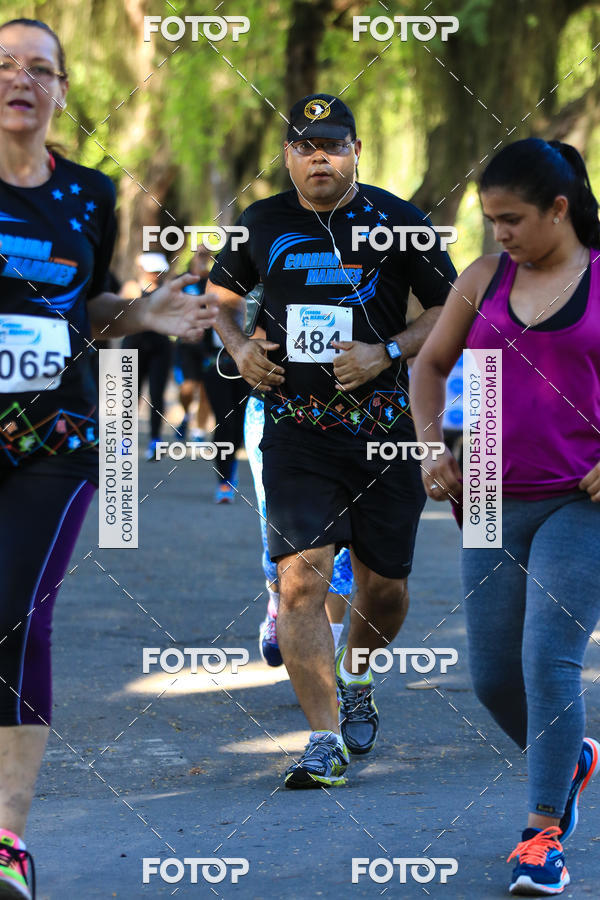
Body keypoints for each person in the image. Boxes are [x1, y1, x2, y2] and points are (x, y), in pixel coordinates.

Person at [0, 18, 218, 898]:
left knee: (16, 619)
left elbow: (88, 305)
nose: (21, 80)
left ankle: (6, 835)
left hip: (54, 438)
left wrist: (142, 315)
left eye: (40, 69)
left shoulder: (88, 192)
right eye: (5, 65)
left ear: (59, 91)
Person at [208, 93, 456, 788]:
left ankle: (357, 677)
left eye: (333, 145)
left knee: (386, 591)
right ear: (287, 156)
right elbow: (221, 295)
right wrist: (239, 349)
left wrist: (386, 351)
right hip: (296, 427)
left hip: (383, 432)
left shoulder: (400, 221)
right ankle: (323, 740)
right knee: (299, 580)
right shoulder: (261, 223)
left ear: (355, 152)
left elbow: (447, 308)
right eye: (305, 146)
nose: (319, 156)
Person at [410, 138, 600, 896]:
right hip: (486, 490)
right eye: (490, 220)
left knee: (547, 657)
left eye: (513, 219)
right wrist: (430, 449)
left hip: (579, 499)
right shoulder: (483, 279)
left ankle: (541, 832)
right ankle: (571, 760)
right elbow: (428, 364)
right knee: (492, 676)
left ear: (560, 208)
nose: (501, 235)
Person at [120, 253, 174, 461]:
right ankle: (125, 439)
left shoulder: (166, 291)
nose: (155, 275)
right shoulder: (131, 288)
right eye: (151, 270)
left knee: (157, 394)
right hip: (133, 345)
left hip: (160, 346)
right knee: (130, 394)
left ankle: (155, 440)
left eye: (158, 271)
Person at [174, 246, 214, 443]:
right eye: (200, 254)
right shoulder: (183, 280)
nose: (203, 258)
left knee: (207, 388)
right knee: (189, 387)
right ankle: (186, 414)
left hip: (209, 344)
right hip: (187, 343)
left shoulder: (214, 280)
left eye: (207, 255)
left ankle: (199, 431)